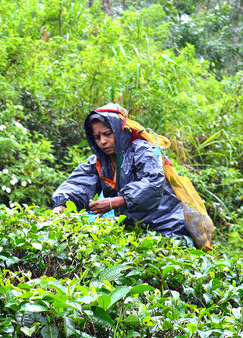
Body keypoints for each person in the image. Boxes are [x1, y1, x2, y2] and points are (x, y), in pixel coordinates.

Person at [51, 104, 193, 243]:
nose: (103, 141)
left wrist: (114, 202)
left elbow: (153, 184)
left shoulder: (142, 151)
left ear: (119, 131)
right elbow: (78, 185)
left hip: (168, 228)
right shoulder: (99, 162)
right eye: (97, 137)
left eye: (107, 134)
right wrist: (62, 206)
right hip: (135, 233)